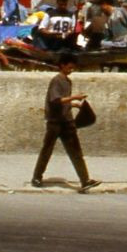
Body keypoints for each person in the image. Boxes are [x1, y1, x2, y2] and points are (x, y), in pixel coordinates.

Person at [31, 52, 98, 192]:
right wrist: (74, 97)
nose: (71, 70)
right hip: (55, 122)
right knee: (47, 150)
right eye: (69, 67)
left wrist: (74, 105)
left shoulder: (67, 81)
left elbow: (63, 101)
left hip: (67, 121)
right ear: (62, 65)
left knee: (76, 152)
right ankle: (37, 177)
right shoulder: (57, 80)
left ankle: (85, 180)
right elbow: (56, 100)